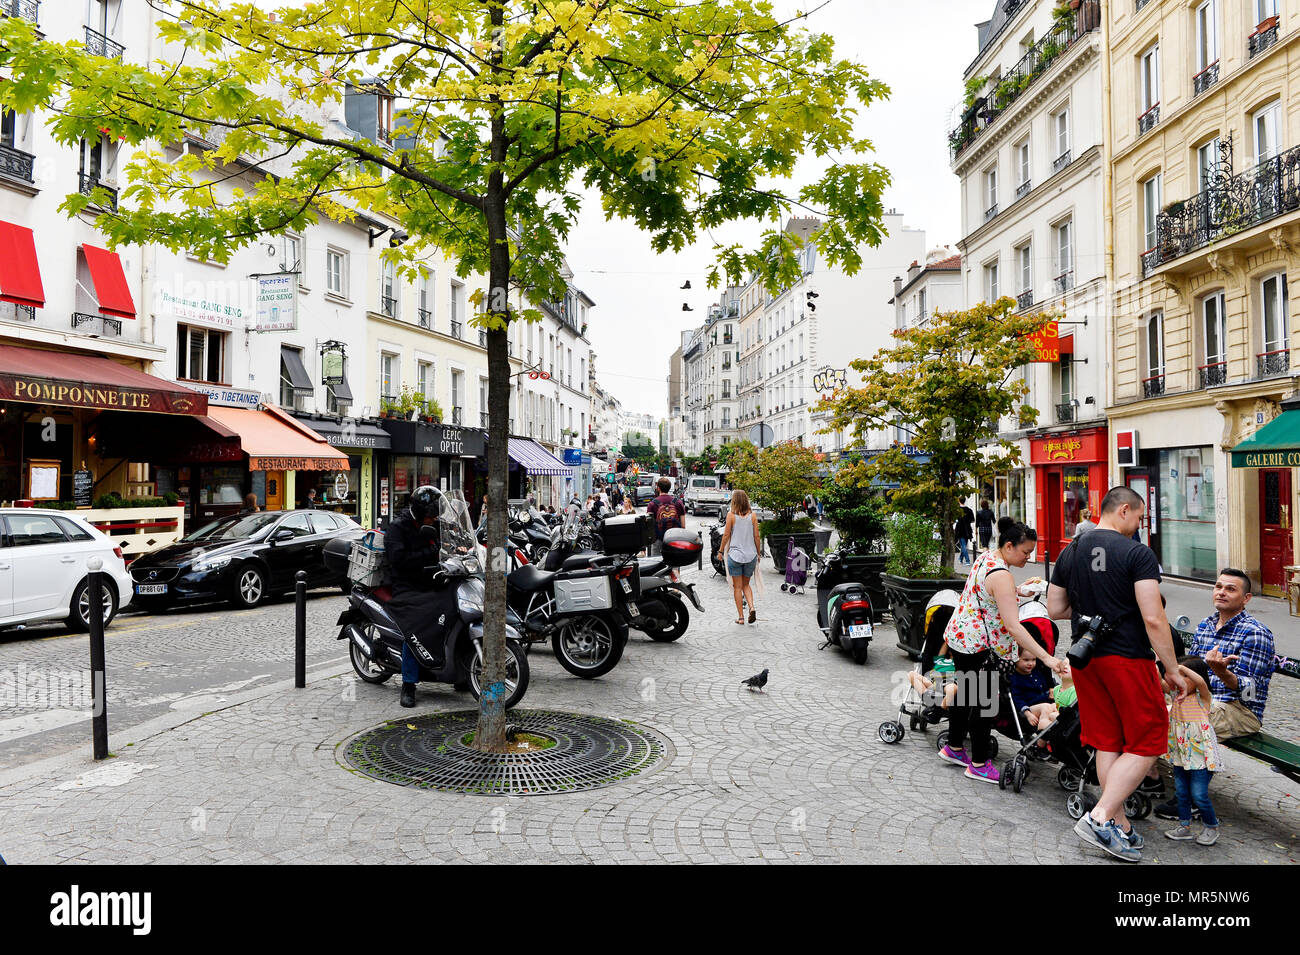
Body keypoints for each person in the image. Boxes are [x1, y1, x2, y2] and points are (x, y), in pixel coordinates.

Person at [1047, 486, 1187, 862]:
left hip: (1086, 658)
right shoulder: (1138, 554)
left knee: (1107, 741)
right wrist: (1171, 669)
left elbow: (1055, 608)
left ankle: (1118, 823)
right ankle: (1098, 816)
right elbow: (1154, 617)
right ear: (1124, 510)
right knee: (1149, 740)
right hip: (1127, 657)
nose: (1139, 525)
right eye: (1139, 518)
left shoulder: (1070, 550)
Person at [940, 522, 1064, 785]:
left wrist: (1019, 591)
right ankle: (979, 763)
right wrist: (1046, 657)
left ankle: (954, 747)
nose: (1028, 557)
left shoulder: (987, 557)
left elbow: (989, 592)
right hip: (982, 648)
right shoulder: (1002, 575)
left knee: (966, 694)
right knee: (985, 703)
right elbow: (1013, 626)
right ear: (1009, 546)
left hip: (963, 638)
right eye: (1026, 552)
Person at [384, 486, 458, 708]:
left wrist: (457, 548)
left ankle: (458, 671)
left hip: (429, 580)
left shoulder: (432, 524)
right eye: (431, 515)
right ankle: (409, 684)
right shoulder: (398, 528)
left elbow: (444, 544)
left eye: (436, 516)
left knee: (454, 608)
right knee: (415, 627)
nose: (434, 519)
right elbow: (398, 561)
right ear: (419, 511)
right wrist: (431, 553)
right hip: (405, 586)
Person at [1163, 655, 1224, 846]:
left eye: (1185, 677)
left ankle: (1211, 826)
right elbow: (1160, 680)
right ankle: (1184, 826)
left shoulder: (1202, 698)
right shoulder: (1175, 695)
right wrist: (1169, 668)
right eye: (1177, 676)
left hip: (1202, 757)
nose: (1180, 680)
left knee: (1198, 795)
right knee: (1181, 792)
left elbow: (1199, 681)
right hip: (1182, 756)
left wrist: (1180, 667)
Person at [719, 489, 762, 625]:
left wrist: (720, 552)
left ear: (734, 501)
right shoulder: (753, 516)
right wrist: (758, 552)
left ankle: (741, 618)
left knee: (737, 587)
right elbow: (756, 536)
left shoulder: (731, 515)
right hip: (750, 556)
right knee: (746, 585)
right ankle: (752, 607)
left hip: (735, 556)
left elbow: (726, 536)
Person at [646, 477, 685, 556]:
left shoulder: (652, 504)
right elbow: (683, 526)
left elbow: (649, 526)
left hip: (658, 539)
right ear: (669, 488)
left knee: (657, 564)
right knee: (674, 564)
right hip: (674, 538)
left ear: (658, 488)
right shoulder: (678, 502)